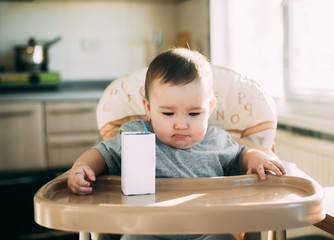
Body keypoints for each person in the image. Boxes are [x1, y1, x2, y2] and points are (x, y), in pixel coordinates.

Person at [67, 48, 286, 240]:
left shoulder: (218, 140)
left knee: (222, 237)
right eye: (168, 113)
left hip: (206, 230)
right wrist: (82, 168)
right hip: (146, 230)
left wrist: (255, 157)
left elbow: (240, 155)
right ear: (148, 107)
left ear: (209, 108)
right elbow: (102, 153)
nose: (181, 124)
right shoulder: (136, 136)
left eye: (193, 113)